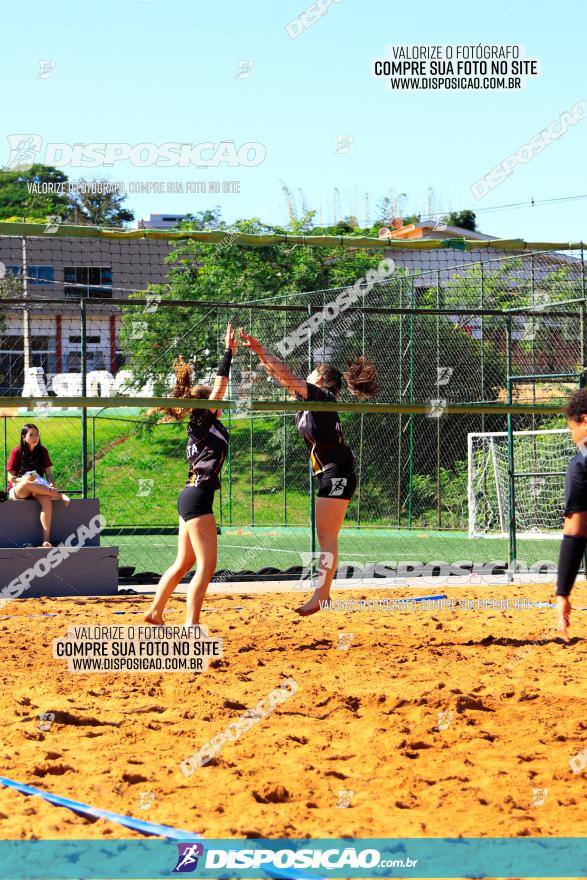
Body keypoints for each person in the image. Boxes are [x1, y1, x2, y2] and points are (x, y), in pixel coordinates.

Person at [239, 330, 378, 615]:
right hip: (331, 473)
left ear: (321, 380)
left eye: (313, 372)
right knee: (326, 534)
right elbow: (283, 378)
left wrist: (261, 349)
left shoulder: (322, 396)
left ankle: (322, 595)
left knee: (327, 535)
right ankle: (322, 593)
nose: (309, 376)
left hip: (337, 472)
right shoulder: (308, 401)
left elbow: (287, 375)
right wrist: (258, 354)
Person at [145, 323, 237, 628]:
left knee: (184, 562)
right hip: (197, 498)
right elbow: (220, 385)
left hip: (190, 496)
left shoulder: (203, 426)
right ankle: (191, 624)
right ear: (207, 404)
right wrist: (228, 353)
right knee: (206, 565)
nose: (220, 403)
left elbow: (217, 392)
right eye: (215, 401)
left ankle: (156, 612)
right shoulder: (202, 422)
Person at [6, 423, 70, 548]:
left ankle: (46, 540)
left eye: (37, 434)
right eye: (31, 435)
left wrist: (51, 484)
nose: (35, 437)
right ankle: (59, 495)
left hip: (38, 487)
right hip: (18, 490)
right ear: (24, 437)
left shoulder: (43, 451)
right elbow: (10, 477)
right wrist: (24, 479)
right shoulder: (16, 451)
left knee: (46, 500)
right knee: (27, 482)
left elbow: (49, 474)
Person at [556, 389, 587, 642]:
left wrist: (563, 593)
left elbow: (575, 531)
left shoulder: (581, 464)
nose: (572, 436)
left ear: (585, 420)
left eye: (571, 429)